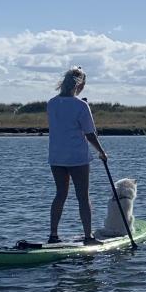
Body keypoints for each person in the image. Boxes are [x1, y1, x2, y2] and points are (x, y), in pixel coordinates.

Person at [47, 66, 109, 245]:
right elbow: (90, 134)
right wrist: (102, 152)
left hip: (56, 157)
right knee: (83, 196)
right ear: (79, 85)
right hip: (77, 157)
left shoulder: (51, 103)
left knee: (60, 194)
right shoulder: (82, 105)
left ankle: (53, 235)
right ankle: (88, 236)